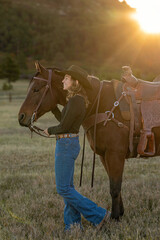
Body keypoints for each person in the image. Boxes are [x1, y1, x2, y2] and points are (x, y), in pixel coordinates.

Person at [43, 65, 110, 231]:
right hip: (68, 143)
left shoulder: (75, 101)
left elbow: (64, 126)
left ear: (75, 82)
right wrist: (53, 108)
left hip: (66, 144)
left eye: (66, 78)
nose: (63, 80)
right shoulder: (75, 101)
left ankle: (99, 215)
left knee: (63, 189)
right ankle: (73, 226)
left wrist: (49, 130)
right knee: (68, 188)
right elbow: (64, 120)